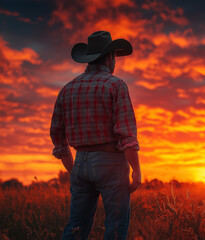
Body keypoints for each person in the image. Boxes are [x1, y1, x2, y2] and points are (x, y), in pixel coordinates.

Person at [50, 31, 141, 240]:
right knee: (116, 229)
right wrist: (136, 170)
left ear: (89, 58)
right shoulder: (115, 85)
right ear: (111, 57)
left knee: (76, 229)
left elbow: (57, 135)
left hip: (80, 162)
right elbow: (126, 135)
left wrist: (74, 170)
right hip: (111, 163)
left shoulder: (67, 89)